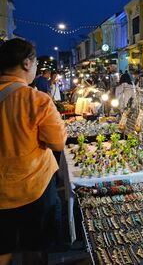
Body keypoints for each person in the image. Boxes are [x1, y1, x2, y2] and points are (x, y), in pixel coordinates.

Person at [0, 39, 67, 265]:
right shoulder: (35, 99)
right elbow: (58, 142)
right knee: (36, 248)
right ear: (27, 63)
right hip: (34, 189)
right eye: (36, 62)